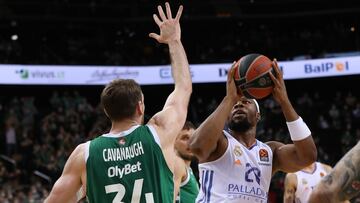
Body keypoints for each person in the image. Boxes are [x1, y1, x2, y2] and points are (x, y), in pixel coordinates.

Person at [45, 2, 192, 202]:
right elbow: (183, 87)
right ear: (140, 107)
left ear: (107, 111)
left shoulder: (84, 154)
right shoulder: (159, 132)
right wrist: (174, 41)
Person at [188, 59, 317, 203]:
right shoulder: (219, 141)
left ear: (258, 116)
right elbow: (196, 147)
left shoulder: (270, 151)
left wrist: (284, 102)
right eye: (234, 105)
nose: (238, 105)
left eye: (245, 102)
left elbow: (308, 156)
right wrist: (229, 98)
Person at [173, 121, 199, 203]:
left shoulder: (187, 168)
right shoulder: (177, 164)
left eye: (194, 138)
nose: (191, 142)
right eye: (185, 138)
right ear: (173, 141)